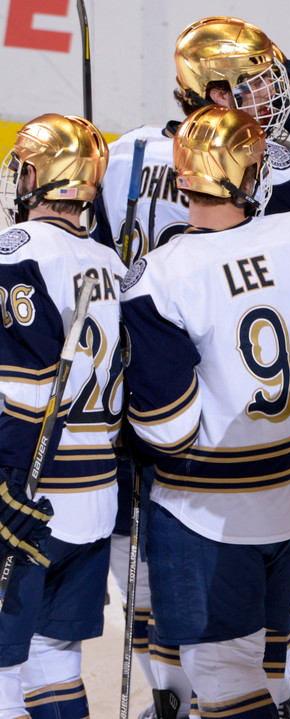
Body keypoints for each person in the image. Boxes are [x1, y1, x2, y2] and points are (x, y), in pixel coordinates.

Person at [98, 16, 290, 717]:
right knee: (246, 619)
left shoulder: (123, 154)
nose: (270, 98)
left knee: (172, 604)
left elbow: (98, 273)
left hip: (154, 407)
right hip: (270, 445)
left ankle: (175, 698)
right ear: (212, 94)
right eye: (252, 85)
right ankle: (257, 698)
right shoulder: (281, 180)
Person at [0, 114, 124, 719]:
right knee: (54, 661)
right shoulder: (116, 264)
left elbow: (23, 389)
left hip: (28, 492)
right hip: (96, 495)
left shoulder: (15, 254)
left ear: (36, 176)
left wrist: (5, 483)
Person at [96, 15, 290, 263]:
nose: (271, 93)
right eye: (257, 83)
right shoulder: (259, 164)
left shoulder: (123, 151)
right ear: (219, 95)